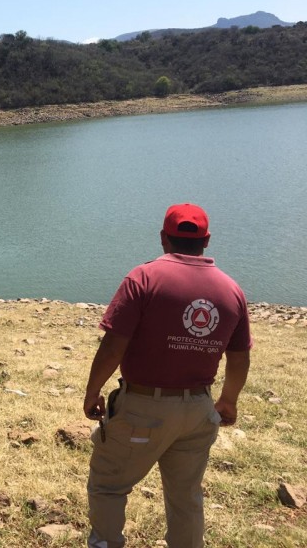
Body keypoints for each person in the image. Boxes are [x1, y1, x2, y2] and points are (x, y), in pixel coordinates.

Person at [83, 203, 252, 548]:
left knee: (108, 485)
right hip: (198, 411)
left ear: (163, 238)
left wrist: (93, 390)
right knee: (186, 497)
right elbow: (239, 358)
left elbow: (114, 346)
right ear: (206, 241)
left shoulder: (143, 278)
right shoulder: (231, 290)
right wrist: (228, 400)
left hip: (143, 408)